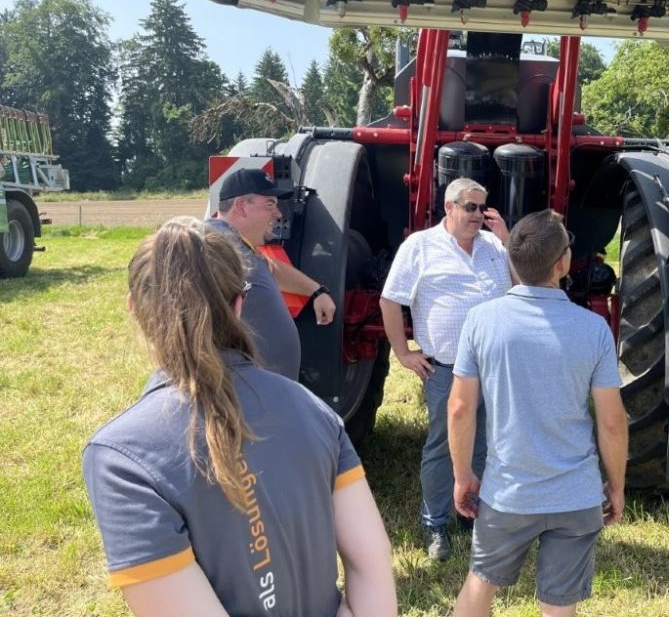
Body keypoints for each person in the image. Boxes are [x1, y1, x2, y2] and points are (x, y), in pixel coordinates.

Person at [82, 217, 396, 617]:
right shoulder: (313, 409)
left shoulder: (120, 460)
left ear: (134, 308)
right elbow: (372, 559)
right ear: (239, 304)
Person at [448, 209, 628, 617]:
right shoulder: (594, 328)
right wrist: (615, 485)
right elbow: (613, 422)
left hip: (508, 493)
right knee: (559, 605)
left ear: (513, 260)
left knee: (481, 583)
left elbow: (460, 408)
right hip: (576, 494)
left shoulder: (480, 321)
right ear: (562, 263)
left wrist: (462, 477)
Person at [379, 177, 511, 560]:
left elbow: (524, 286)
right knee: (443, 446)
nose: (478, 216)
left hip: (491, 369)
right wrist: (403, 353)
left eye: (483, 209)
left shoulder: (493, 247)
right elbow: (391, 301)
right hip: (446, 370)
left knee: (484, 443)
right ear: (449, 207)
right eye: (470, 207)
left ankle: (472, 515)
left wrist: (507, 240)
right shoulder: (420, 246)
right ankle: (435, 523)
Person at [207, 168, 335, 381]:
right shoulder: (213, 247)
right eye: (270, 205)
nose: (278, 214)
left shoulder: (236, 245)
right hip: (240, 392)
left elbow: (271, 269)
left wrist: (316, 291)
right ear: (241, 206)